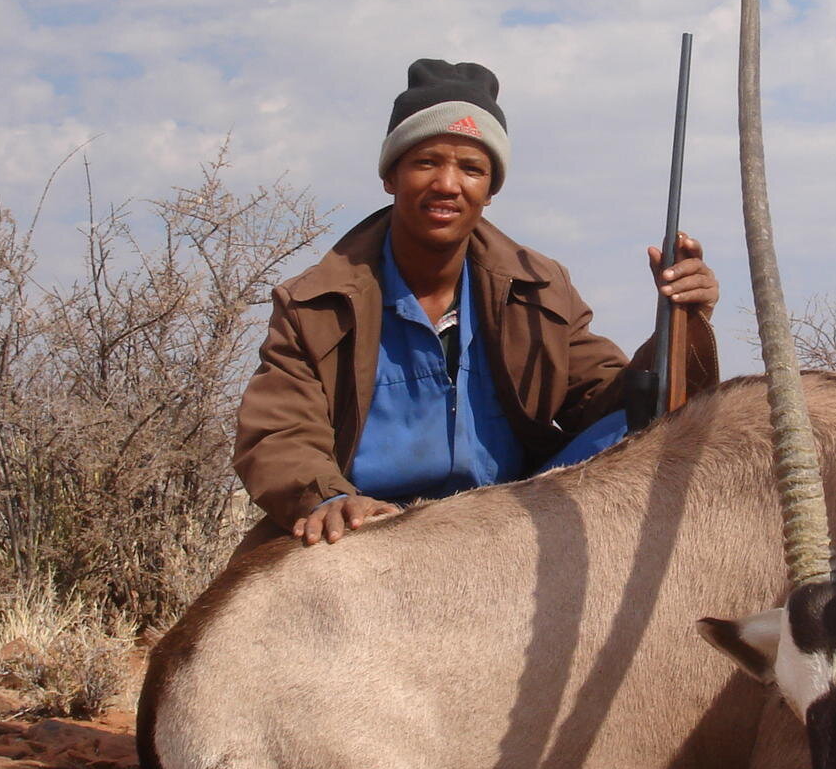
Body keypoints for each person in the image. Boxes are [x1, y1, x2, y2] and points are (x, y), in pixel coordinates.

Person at [234, 58, 720, 546]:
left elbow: (607, 405)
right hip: (370, 524)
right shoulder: (313, 302)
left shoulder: (540, 286)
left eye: (471, 168)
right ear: (390, 176)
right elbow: (278, 431)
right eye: (426, 162)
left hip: (506, 520)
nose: (448, 184)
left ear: (490, 190)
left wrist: (683, 325)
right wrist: (328, 498)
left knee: (644, 431)